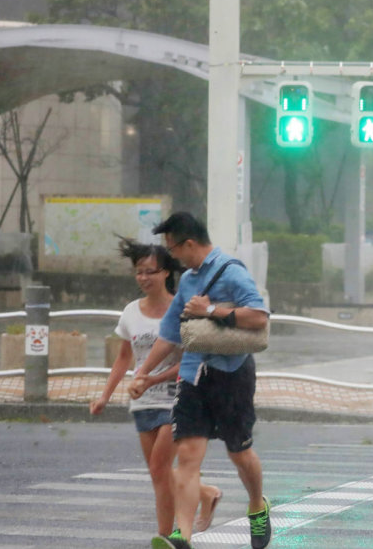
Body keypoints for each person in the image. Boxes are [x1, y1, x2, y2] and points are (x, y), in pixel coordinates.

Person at [127, 213, 271, 549]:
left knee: (240, 453)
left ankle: (256, 505)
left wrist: (212, 312)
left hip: (231, 373)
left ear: (188, 243)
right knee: (188, 456)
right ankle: (183, 536)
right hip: (192, 377)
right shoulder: (190, 279)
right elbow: (170, 333)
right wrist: (143, 373)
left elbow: (259, 317)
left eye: (173, 249)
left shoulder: (232, 271)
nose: (172, 256)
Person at [90, 239, 223, 538]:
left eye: (151, 271)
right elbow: (124, 357)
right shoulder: (130, 312)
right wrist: (105, 396)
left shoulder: (181, 309)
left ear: (166, 273)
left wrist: (153, 378)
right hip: (142, 401)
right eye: (139, 271)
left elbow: (191, 359)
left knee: (160, 467)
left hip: (177, 398)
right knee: (157, 473)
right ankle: (203, 493)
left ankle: (166, 536)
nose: (144, 278)